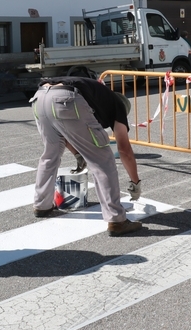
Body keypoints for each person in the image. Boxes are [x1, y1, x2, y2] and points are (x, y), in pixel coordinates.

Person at [31, 77, 143, 236]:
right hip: (66, 99)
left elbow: (67, 131)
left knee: (50, 154)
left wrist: (78, 154)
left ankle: (41, 205)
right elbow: (124, 150)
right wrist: (135, 181)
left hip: (40, 97)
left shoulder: (97, 98)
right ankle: (117, 220)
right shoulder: (118, 106)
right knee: (103, 161)